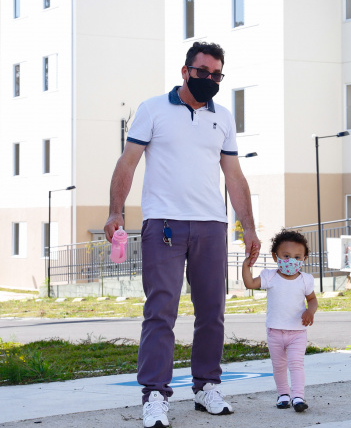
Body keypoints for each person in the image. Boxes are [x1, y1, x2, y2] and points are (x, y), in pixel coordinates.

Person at [104, 41, 261, 428]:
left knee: (212, 312)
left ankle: (207, 386)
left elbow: (234, 175)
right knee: (161, 311)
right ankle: (155, 394)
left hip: (212, 224)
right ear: (185, 70)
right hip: (164, 224)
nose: (209, 79)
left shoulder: (222, 117)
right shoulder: (152, 109)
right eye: (202, 71)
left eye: (216, 74)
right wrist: (115, 211)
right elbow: (128, 161)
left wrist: (249, 225)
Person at [241, 229, 317, 413]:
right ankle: (283, 394)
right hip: (275, 332)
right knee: (279, 365)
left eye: (298, 257)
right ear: (276, 257)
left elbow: (313, 300)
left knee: (296, 364)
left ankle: (298, 396)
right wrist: (246, 264)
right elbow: (250, 283)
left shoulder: (306, 280)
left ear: (305, 258)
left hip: (297, 332)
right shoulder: (270, 276)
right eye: (286, 255)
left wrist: (310, 311)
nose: (292, 260)